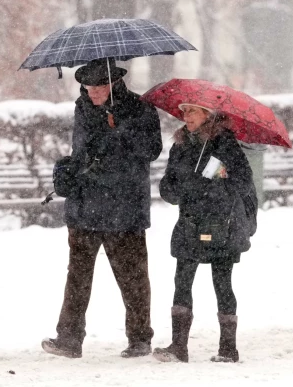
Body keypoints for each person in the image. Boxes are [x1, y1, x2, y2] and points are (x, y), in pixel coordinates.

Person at [42, 58, 163, 359]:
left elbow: (151, 150)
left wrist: (120, 126)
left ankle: (139, 338)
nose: (92, 92)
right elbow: (83, 152)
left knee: (132, 275)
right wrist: (69, 170)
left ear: (113, 83)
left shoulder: (140, 108)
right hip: (85, 206)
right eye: (87, 86)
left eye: (98, 87)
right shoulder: (82, 108)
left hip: (124, 207)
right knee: (78, 274)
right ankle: (69, 338)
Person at [153, 104, 258, 364]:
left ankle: (228, 348)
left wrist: (211, 187)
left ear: (207, 115)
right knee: (182, 281)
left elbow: (243, 182)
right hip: (190, 223)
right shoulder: (180, 145)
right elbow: (169, 184)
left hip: (221, 225)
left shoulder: (225, 144)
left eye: (192, 111)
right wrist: (171, 189)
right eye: (184, 111)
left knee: (222, 283)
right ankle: (179, 346)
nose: (186, 116)